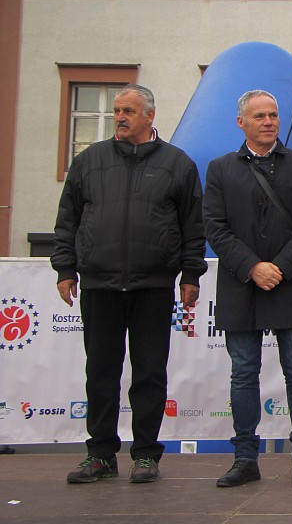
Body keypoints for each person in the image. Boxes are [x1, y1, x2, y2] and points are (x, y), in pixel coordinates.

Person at [52, 84, 207, 484]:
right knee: (101, 373)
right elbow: (67, 220)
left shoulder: (177, 164)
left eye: (128, 111)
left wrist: (191, 274)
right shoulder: (89, 161)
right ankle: (100, 455)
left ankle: (146, 456)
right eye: (117, 110)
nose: (119, 117)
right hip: (99, 284)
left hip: (153, 286)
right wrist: (65, 269)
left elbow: (193, 227)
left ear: (150, 116)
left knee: (149, 373)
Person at [203, 90, 292, 489]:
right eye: (259, 116)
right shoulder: (220, 169)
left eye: (273, 114)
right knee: (243, 375)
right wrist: (252, 267)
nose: (269, 121)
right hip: (242, 285)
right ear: (241, 122)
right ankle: (245, 459)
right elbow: (215, 227)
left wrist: (281, 267)